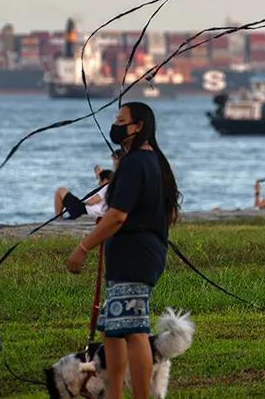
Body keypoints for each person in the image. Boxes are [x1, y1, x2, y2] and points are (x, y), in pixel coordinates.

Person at [66, 102, 180, 399]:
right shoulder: (152, 161)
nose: (115, 125)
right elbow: (167, 211)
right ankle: (113, 393)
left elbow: (117, 215)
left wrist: (83, 247)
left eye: (121, 120)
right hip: (136, 256)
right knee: (112, 329)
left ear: (138, 126)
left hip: (135, 258)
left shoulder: (136, 163)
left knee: (133, 329)